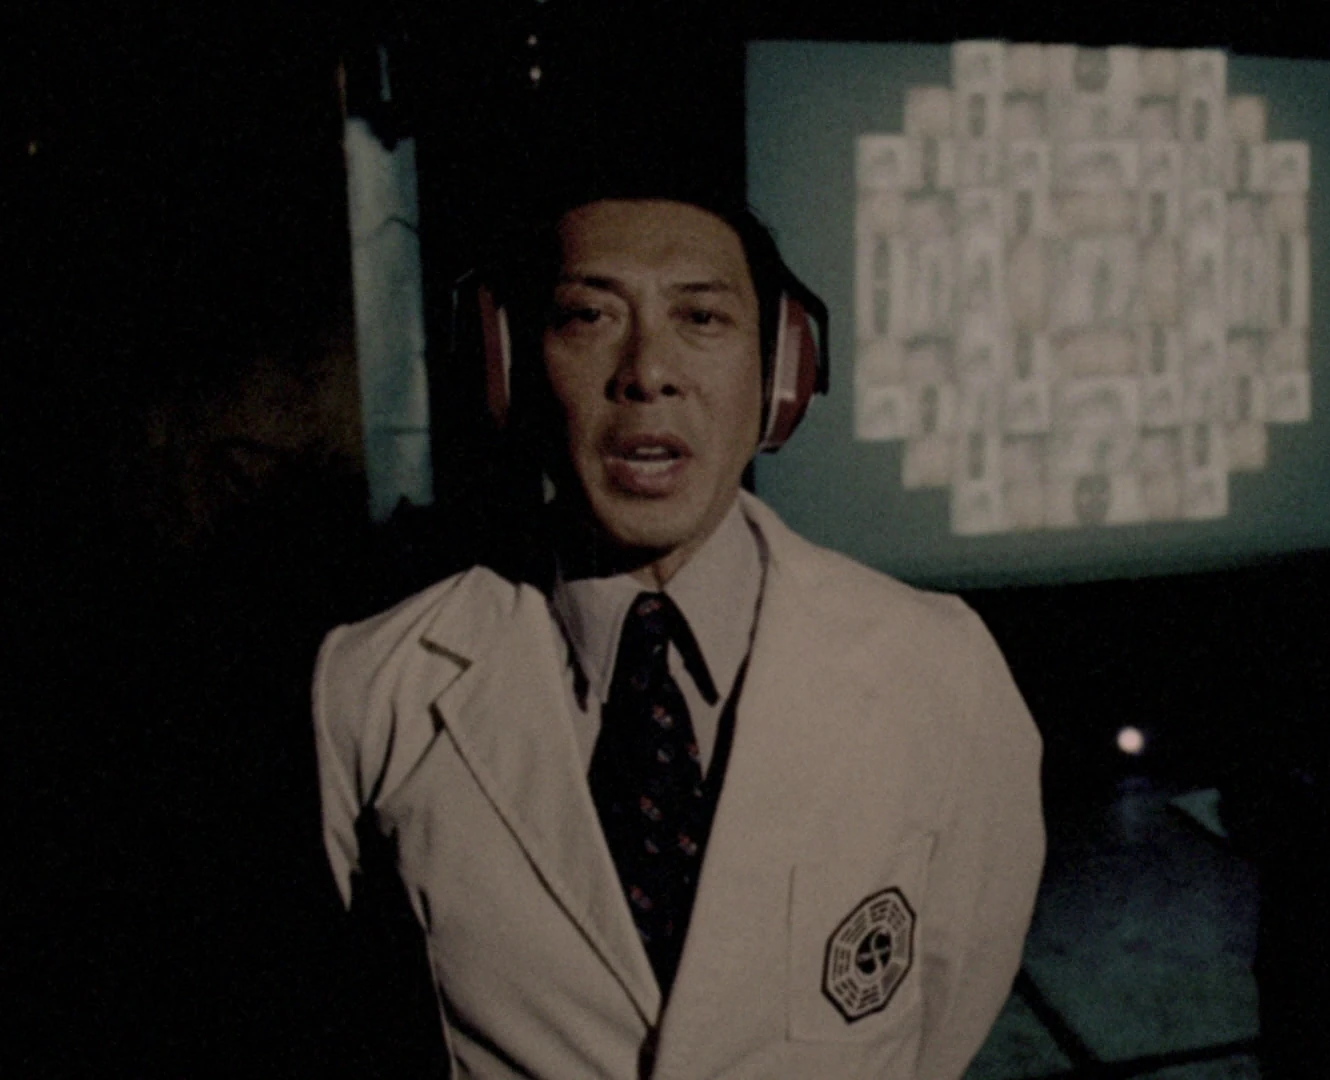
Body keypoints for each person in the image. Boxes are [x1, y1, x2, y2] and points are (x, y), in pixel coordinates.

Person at [311, 177, 1046, 1078]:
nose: (647, 372)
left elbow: (951, 1005)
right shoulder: (371, 687)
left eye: (701, 318)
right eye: (588, 316)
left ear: (782, 375)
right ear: (510, 369)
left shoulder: (944, 669)